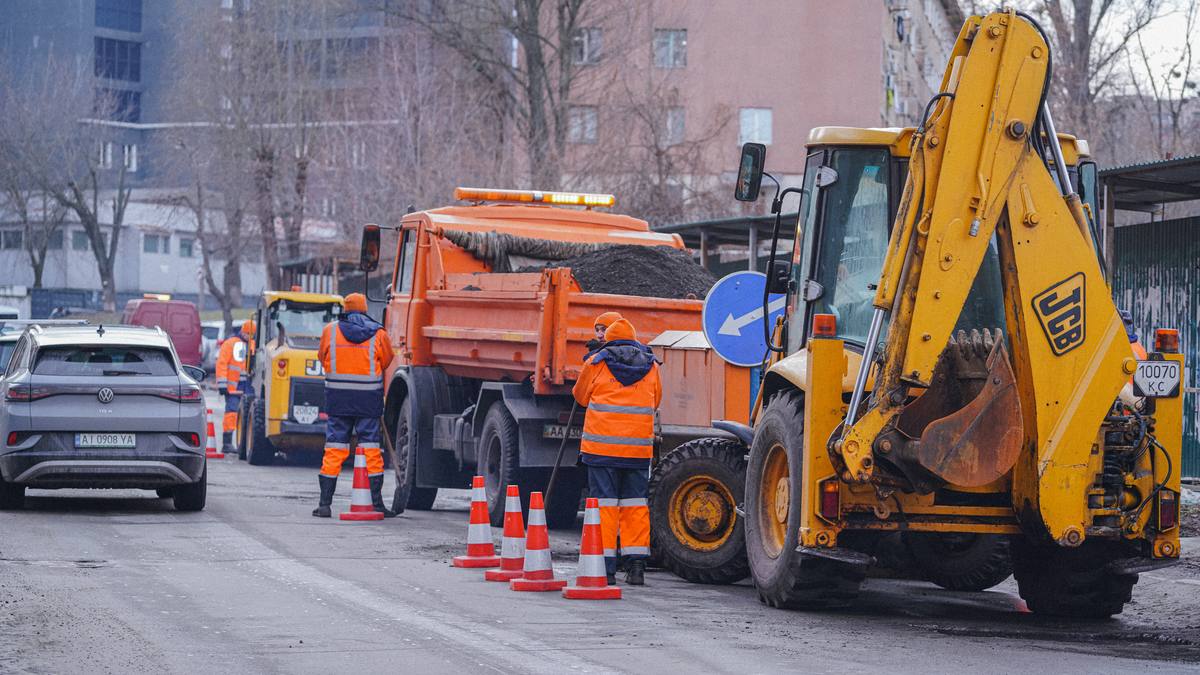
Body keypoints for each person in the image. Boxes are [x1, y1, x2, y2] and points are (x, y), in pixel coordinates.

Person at [572, 317, 661, 586]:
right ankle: (636, 567)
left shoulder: (596, 362)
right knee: (635, 506)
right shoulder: (651, 365)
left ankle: (605, 568)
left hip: (601, 449)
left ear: (608, 338)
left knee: (605, 507)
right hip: (636, 452)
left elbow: (580, 396)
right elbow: (656, 399)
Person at [314, 293, 395, 518]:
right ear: (364, 308)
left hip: (338, 399)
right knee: (371, 449)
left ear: (346, 308)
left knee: (334, 449)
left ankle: (324, 504)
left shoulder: (330, 331)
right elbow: (387, 360)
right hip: (368, 400)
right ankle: (377, 505)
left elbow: (322, 356)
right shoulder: (378, 333)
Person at [215, 319, 256, 454]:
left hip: (248, 387)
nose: (249, 337)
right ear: (243, 332)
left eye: (251, 335)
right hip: (234, 387)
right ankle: (227, 444)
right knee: (231, 413)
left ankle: (241, 444)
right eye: (248, 334)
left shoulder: (253, 345)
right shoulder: (230, 344)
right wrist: (222, 385)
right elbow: (222, 364)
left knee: (246, 416)